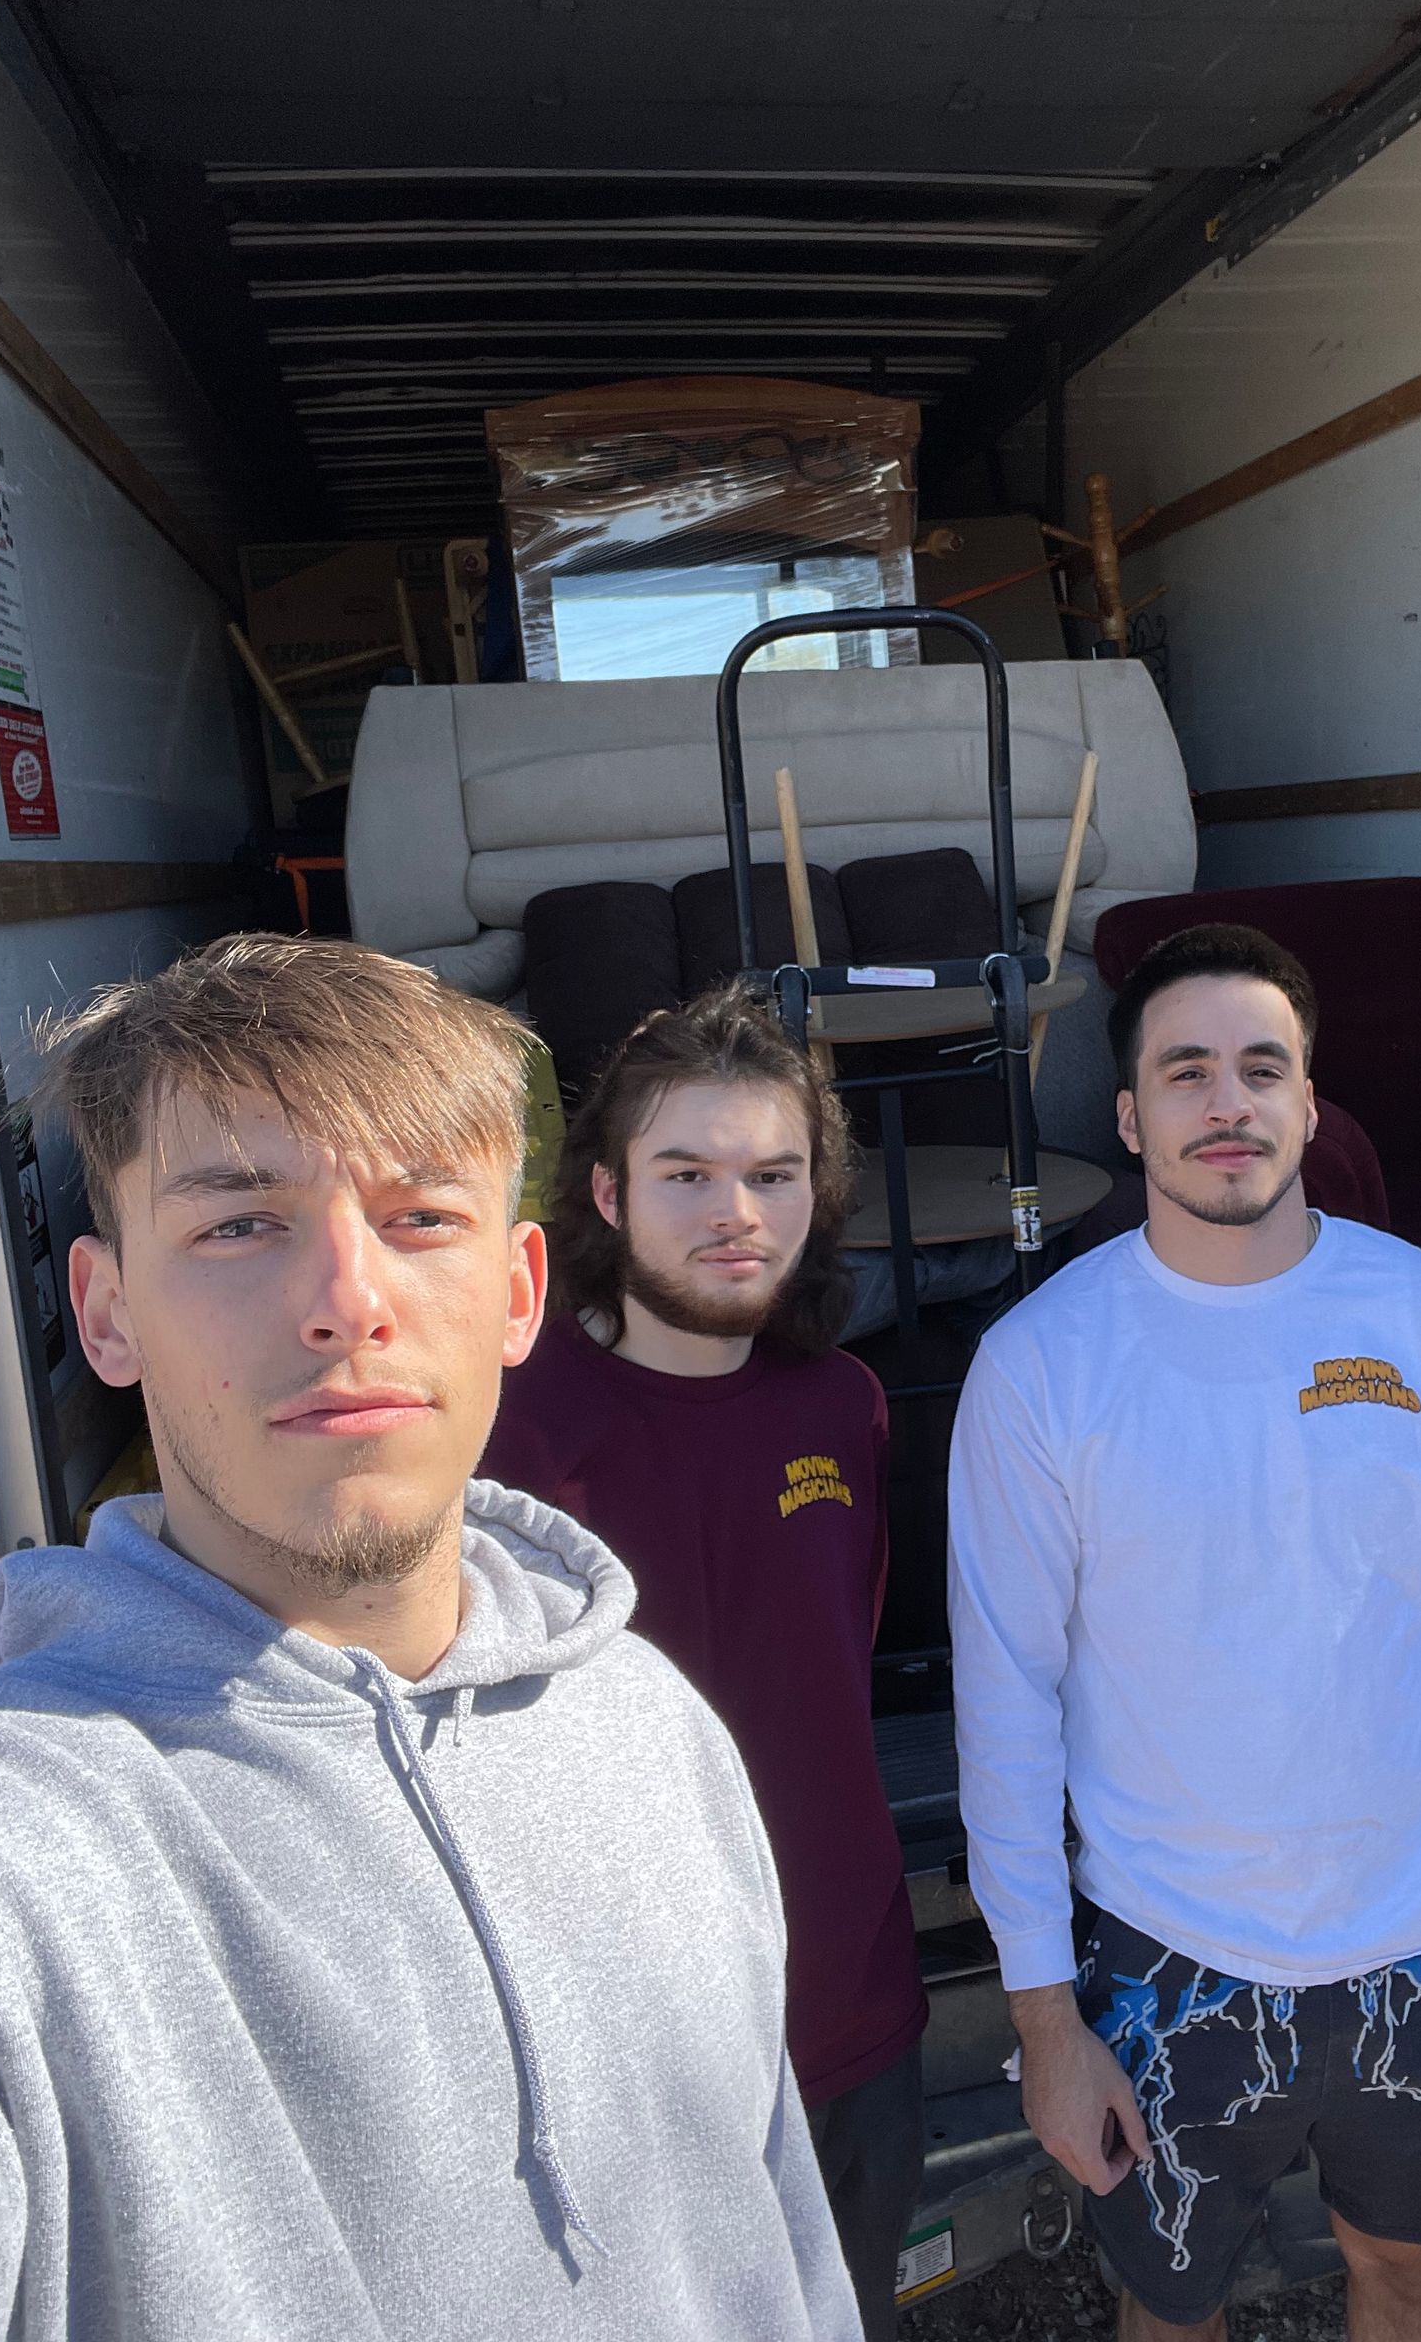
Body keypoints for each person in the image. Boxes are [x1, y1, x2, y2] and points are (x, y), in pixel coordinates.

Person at [0, 935, 861, 2342]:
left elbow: (779, 2232)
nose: (347, 1302)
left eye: (422, 1217)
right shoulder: (11, 1852)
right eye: (238, 1224)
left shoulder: (653, 1723)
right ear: (107, 1313)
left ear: (519, 1294)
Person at [948, 921, 1421, 2342]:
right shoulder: (1041, 1366)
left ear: (1310, 1104)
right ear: (1130, 1117)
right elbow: (1007, 1698)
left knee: (1414, 2279)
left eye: (1261, 1068)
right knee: (1168, 2308)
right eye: (1185, 1072)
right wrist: (1045, 2017)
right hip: (1164, 1950)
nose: (1226, 1103)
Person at [486, 987, 926, 2340]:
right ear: (607, 1193)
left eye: (773, 1174)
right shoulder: (513, 1434)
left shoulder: (841, 1406)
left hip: (850, 2009)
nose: (736, 1211)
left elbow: (833, 1667)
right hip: (631, 2058)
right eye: (687, 1174)